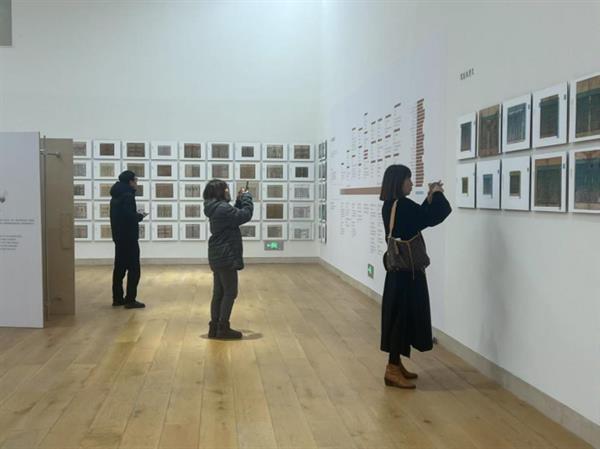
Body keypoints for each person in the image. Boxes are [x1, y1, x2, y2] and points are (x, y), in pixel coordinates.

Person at [380, 165, 451, 389]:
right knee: (401, 320)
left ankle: (395, 363)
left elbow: (416, 219)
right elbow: (434, 216)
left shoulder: (390, 205)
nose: (411, 183)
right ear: (398, 182)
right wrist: (437, 194)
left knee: (398, 318)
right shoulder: (403, 205)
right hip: (407, 274)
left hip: (397, 272)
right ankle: (392, 369)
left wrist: (428, 200)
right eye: (408, 179)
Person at [203, 179, 253, 339]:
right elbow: (245, 215)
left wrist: (238, 200)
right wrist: (247, 197)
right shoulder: (223, 208)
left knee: (219, 292)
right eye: (226, 189)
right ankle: (223, 328)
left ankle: (214, 328)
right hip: (226, 254)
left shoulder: (215, 207)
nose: (228, 191)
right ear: (221, 191)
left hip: (218, 254)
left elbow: (233, 216)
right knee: (230, 292)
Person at [110, 170, 147, 309]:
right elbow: (129, 217)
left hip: (119, 237)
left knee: (119, 269)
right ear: (130, 182)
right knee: (134, 269)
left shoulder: (116, 195)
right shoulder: (128, 196)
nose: (137, 183)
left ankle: (117, 298)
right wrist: (140, 216)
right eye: (135, 180)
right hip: (129, 238)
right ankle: (130, 299)